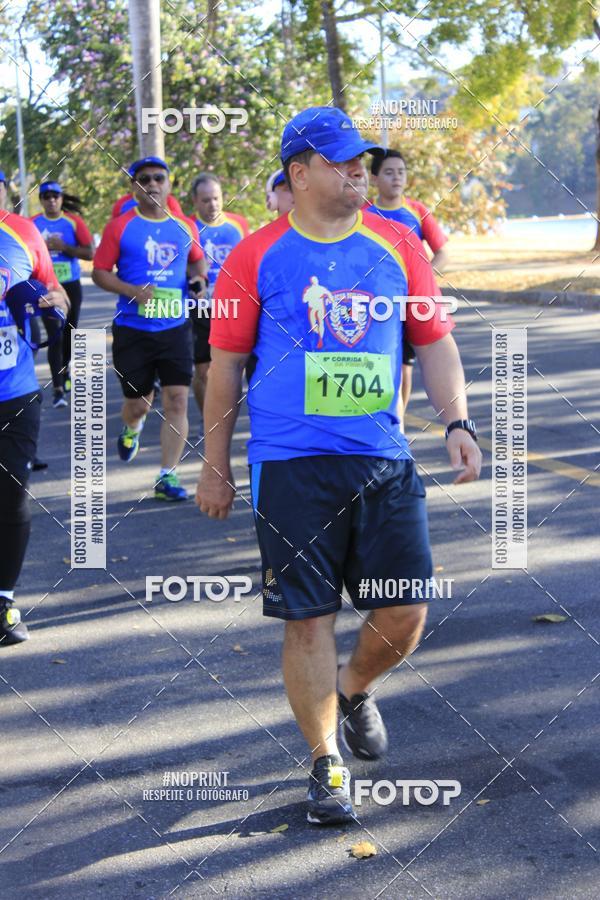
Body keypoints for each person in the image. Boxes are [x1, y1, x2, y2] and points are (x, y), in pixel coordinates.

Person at [195, 107, 481, 826]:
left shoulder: (397, 244)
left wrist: (456, 419)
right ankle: (325, 760)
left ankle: (353, 688)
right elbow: (225, 365)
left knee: (407, 609)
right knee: (307, 620)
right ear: (299, 173)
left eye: (363, 160)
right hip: (290, 466)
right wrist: (215, 464)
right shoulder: (253, 255)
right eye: (341, 160)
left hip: (382, 461)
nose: (359, 170)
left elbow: (435, 339)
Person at [93, 156, 206, 501]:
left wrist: (198, 280)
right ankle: (132, 427)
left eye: (159, 177)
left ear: (168, 184)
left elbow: (197, 261)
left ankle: (166, 476)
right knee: (139, 403)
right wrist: (131, 291)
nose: (153, 184)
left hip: (174, 328)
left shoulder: (184, 226)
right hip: (133, 329)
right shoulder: (120, 227)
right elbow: (99, 272)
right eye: (145, 179)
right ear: (134, 188)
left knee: (176, 399)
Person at [0, 171, 69, 645]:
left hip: (15, 389)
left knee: (11, 494)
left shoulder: (21, 232)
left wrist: (53, 305)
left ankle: (3, 599)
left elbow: (55, 292)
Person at [368, 149, 449, 415]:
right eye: (389, 173)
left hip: (409, 303)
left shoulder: (417, 211)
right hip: (373, 304)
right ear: (374, 178)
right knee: (379, 358)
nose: (396, 178)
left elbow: (443, 252)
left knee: (404, 365)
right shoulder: (363, 213)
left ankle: (398, 419)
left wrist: (422, 280)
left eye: (401, 173)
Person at [190, 172, 249, 418]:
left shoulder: (238, 224)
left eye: (216, 198)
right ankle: (209, 423)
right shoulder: (187, 227)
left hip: (235, 306)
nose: (212, 205)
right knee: (203, 370)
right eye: (205, 200)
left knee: (232, 368)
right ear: (194, 201)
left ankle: (227, 417)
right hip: (201, 307)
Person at [31, 182, 94, 407]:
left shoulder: (73, 222)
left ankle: (65, 371)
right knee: (54, 334)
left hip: (70, 284)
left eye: (55, 196)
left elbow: (89, 253)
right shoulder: (33, 224)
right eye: (46, 196)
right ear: (41, 200)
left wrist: (64, 247)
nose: (51, 200)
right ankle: (58, 389)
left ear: (61, 198)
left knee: (69, 332)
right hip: (45, 286)